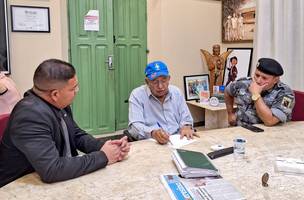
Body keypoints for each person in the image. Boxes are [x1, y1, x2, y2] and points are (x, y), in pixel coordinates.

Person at [0, 59, 130, 187]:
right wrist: (103, 156)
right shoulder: (29, 115)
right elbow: (52, 170)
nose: (76, 91)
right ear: (55, 94)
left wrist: (105, 147)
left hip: (57, 179)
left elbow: (76, 134)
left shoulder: (56, 103)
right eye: (74, 88)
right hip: (19, 188)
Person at [128, 61, 196, 145]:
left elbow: (186, 118)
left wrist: (186, 126)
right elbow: (134, 126)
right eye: (155, 82)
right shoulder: (137, 95)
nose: (160, 86)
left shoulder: (176, 92)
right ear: (147, 82)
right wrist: (152, 133)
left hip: (179, 140)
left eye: (164, 81)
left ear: (169, 79)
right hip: (153, 142)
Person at [224, 58, 295, 126]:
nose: (258, 80)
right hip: (239, 129)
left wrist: (256, 94)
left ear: (275, 80)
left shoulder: (287, 95)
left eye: (264, 78)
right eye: (257, 75)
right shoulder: (244, 82)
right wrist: (230, 113)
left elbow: (270, 121)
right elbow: (227, 91)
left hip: (267, 134)